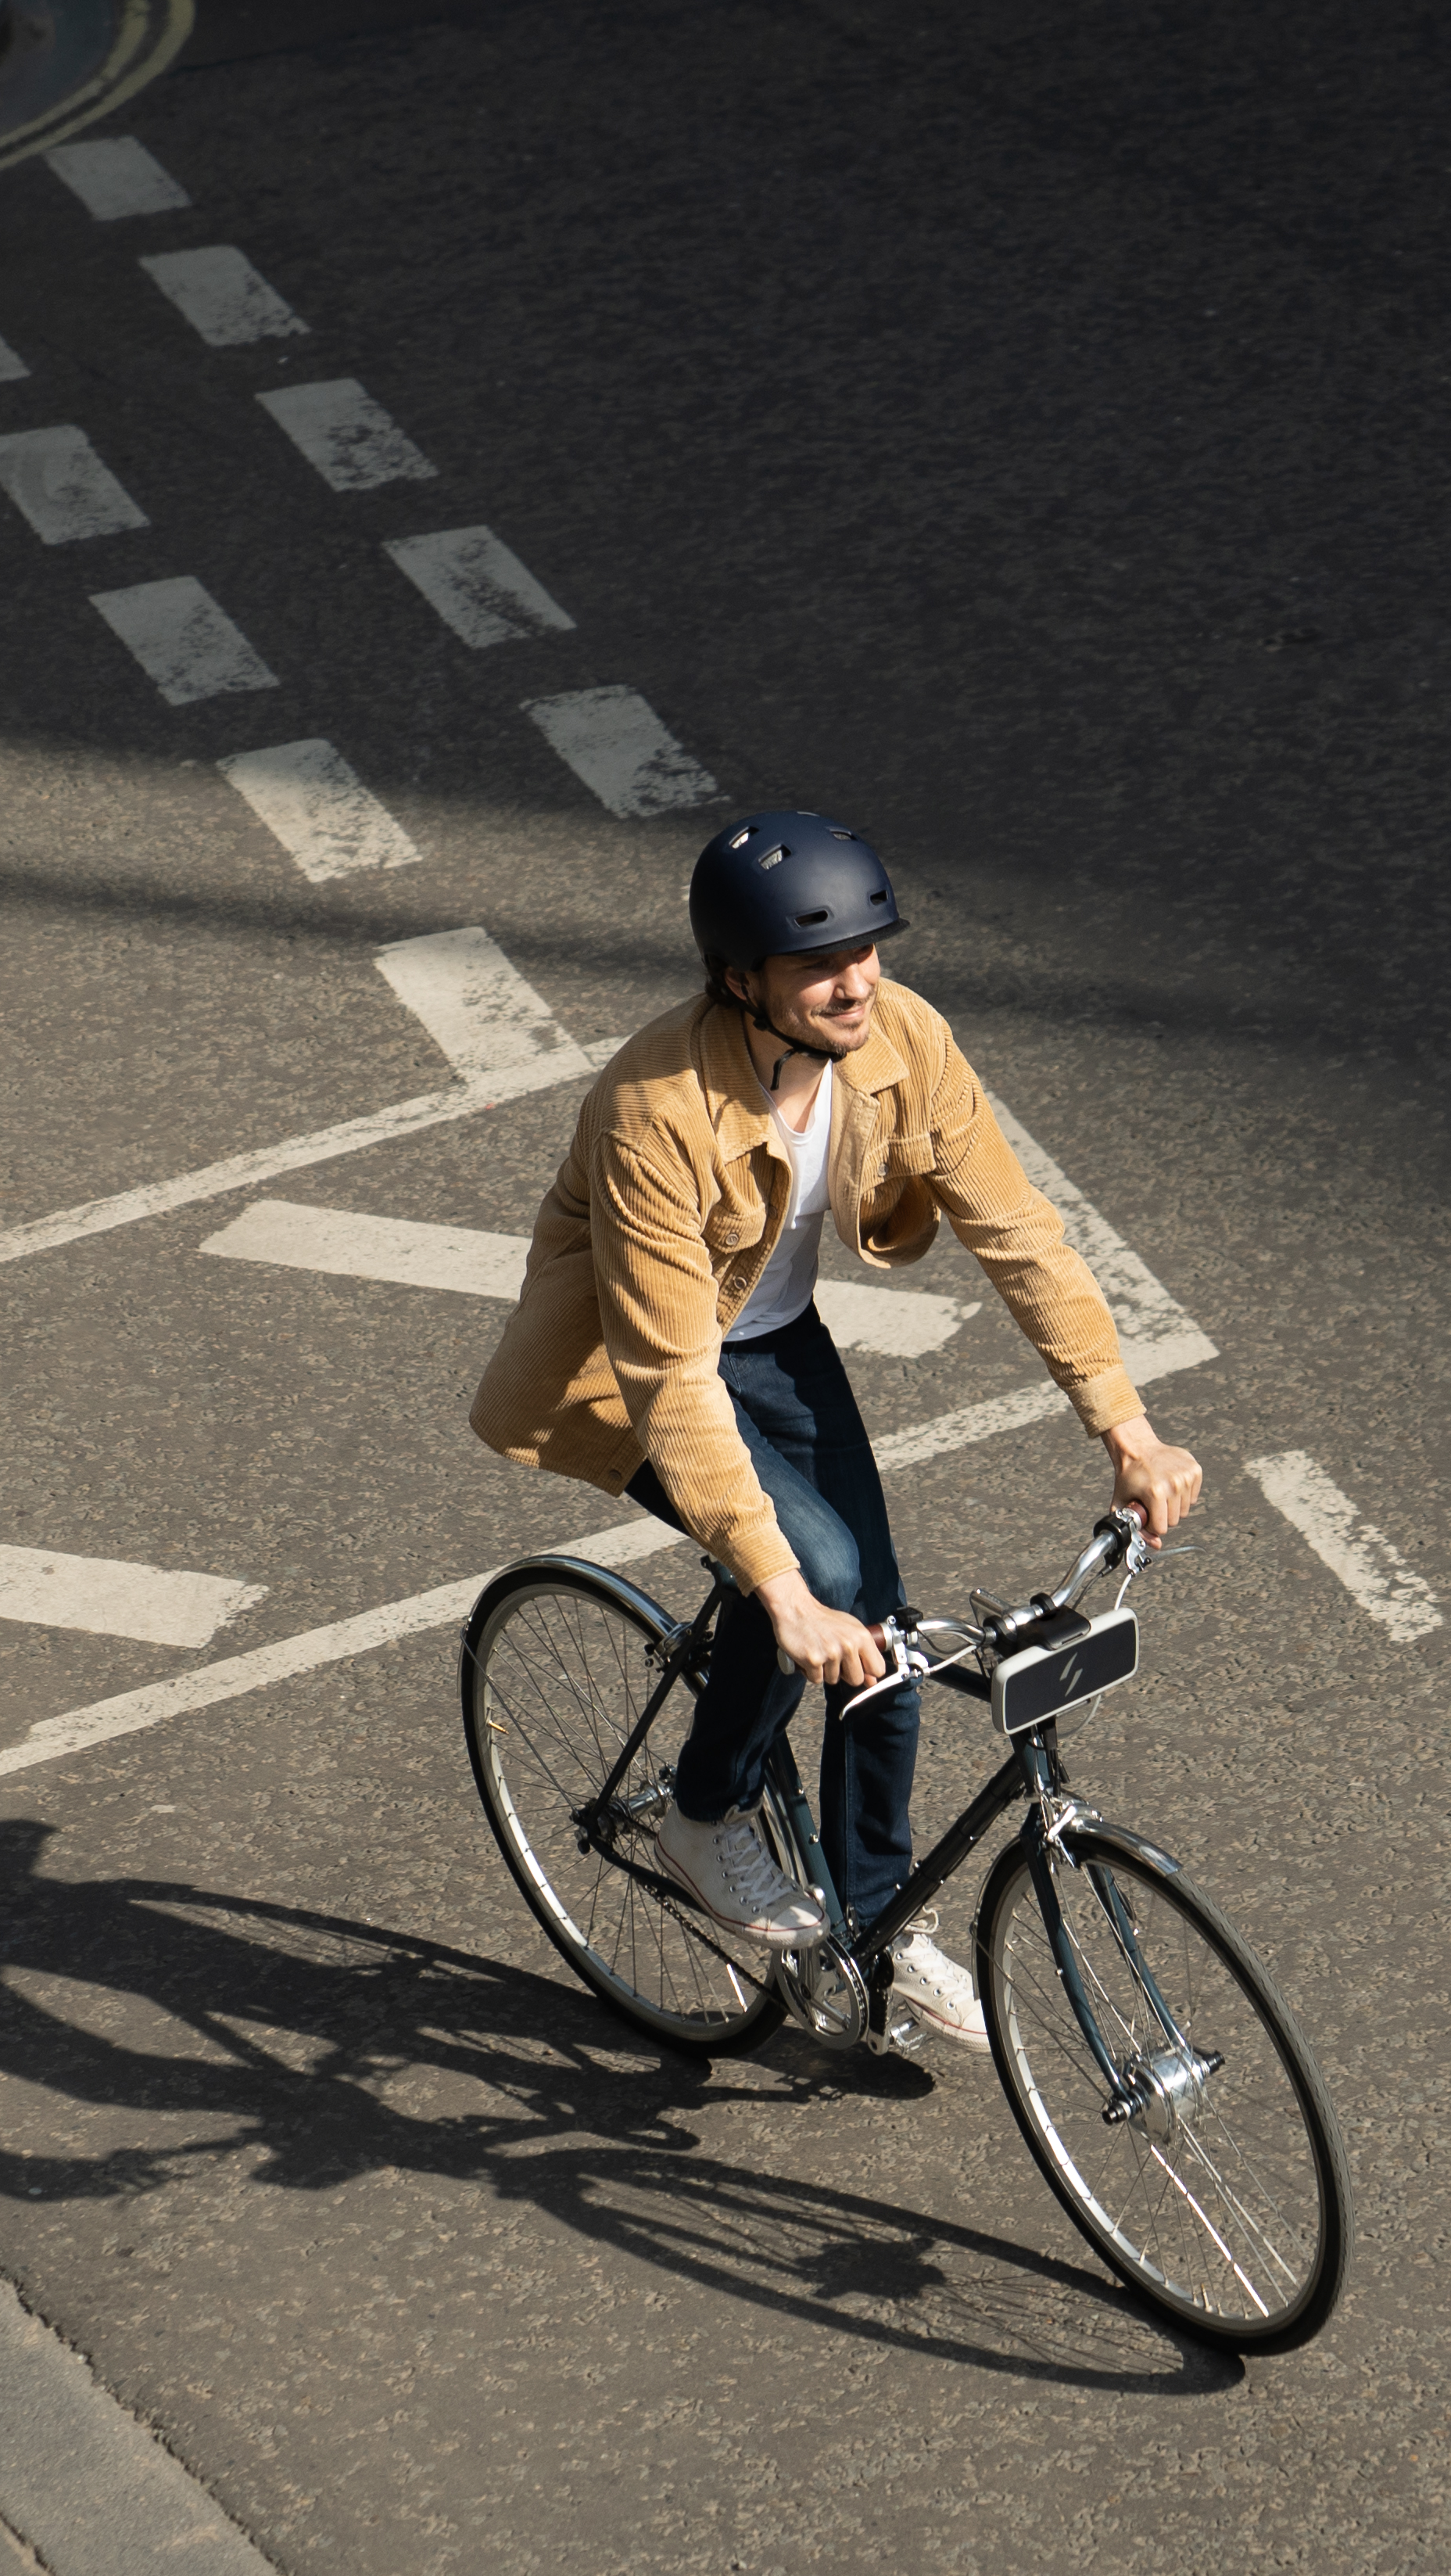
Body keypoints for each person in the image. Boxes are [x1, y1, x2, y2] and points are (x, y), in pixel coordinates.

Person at [471, 811, 1200, 2045]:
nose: (855, 980)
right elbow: (672, 1376)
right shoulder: (656, 1111)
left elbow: (1020, 1235)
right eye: (818, 964)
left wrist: (1124, 1426)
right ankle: (704, 1815)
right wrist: (778, 1585)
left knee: (891, 1643)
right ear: (739, 980)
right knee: (818, 1579)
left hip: (772, 1335)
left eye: (869, 947)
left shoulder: (901, 1037)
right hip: (641, 1362)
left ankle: (874, 1926)